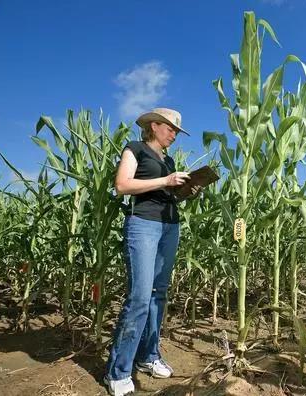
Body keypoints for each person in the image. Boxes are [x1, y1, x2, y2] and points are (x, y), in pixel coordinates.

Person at [104, 108, 198, 396]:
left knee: (159, 294)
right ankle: (118, 371)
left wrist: (187, 191)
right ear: (154, 126)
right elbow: (122, 185)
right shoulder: (135, 149)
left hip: (170, 226)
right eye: (170, 129)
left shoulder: (168, 160)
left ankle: (148, 356)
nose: (173, 135)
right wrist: (165, 181)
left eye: (176, 132)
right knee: (140, 298)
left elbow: (167, 194)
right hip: (143, 225)